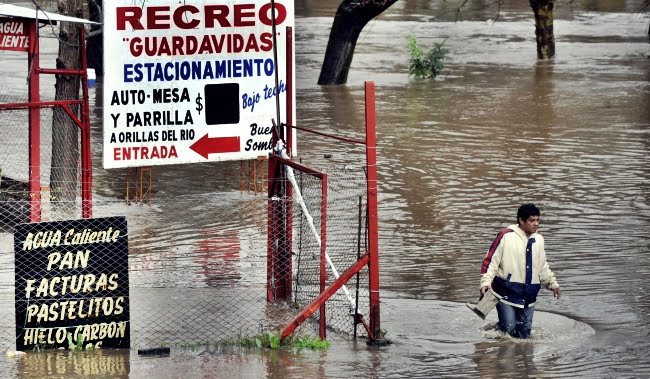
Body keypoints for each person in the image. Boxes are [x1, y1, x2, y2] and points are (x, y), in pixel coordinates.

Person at [479, 203, 561, 339]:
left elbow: (542, 265)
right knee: (509, 328)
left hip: (529, 294)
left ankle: (519, 357)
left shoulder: (539, 239)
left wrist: (552, 284)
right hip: (505, 291)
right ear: (521, 221)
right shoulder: (505, 236)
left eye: (537, 220)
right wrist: (485, 283)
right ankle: (494, 330)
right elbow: (490, 263)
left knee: (524, 334)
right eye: (532, 221)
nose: (536, 224)